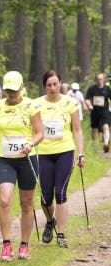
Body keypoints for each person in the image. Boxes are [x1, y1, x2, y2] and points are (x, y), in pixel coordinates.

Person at [0, 70, 44, 261]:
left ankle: (24, 245)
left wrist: (31, 144)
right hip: (6, 159)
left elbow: (40, 132)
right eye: (8, 90)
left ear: (21, 87)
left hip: (27, 159)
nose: (11, 94)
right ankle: (6, 245)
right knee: (4, 199)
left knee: (26, 203)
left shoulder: (31, 105)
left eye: (14, 90)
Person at [36, 71, 85, 248]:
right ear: (45, 86)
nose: (52, 88)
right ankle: (51, 221)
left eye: (55, 84)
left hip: (65, 151)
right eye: (49, 85)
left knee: (60, 193)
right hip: (44, 152)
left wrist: (81, 153)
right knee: (45, 197)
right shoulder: (37, 104)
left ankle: (61, 234)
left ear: (60, 83)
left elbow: (77, 130)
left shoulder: (70, 102)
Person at [83, 72, 111, 152]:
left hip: (105, 111)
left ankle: (106, 144)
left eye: (101, 79)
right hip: (95, 111)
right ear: (96, 80)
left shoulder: (107, 89)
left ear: (103, 79)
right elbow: (87, 99)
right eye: (98, 79)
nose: (100, 81)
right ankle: (94, 145)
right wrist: (89, 105)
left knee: (106, 127)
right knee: (94, 130)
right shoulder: (92, 89)